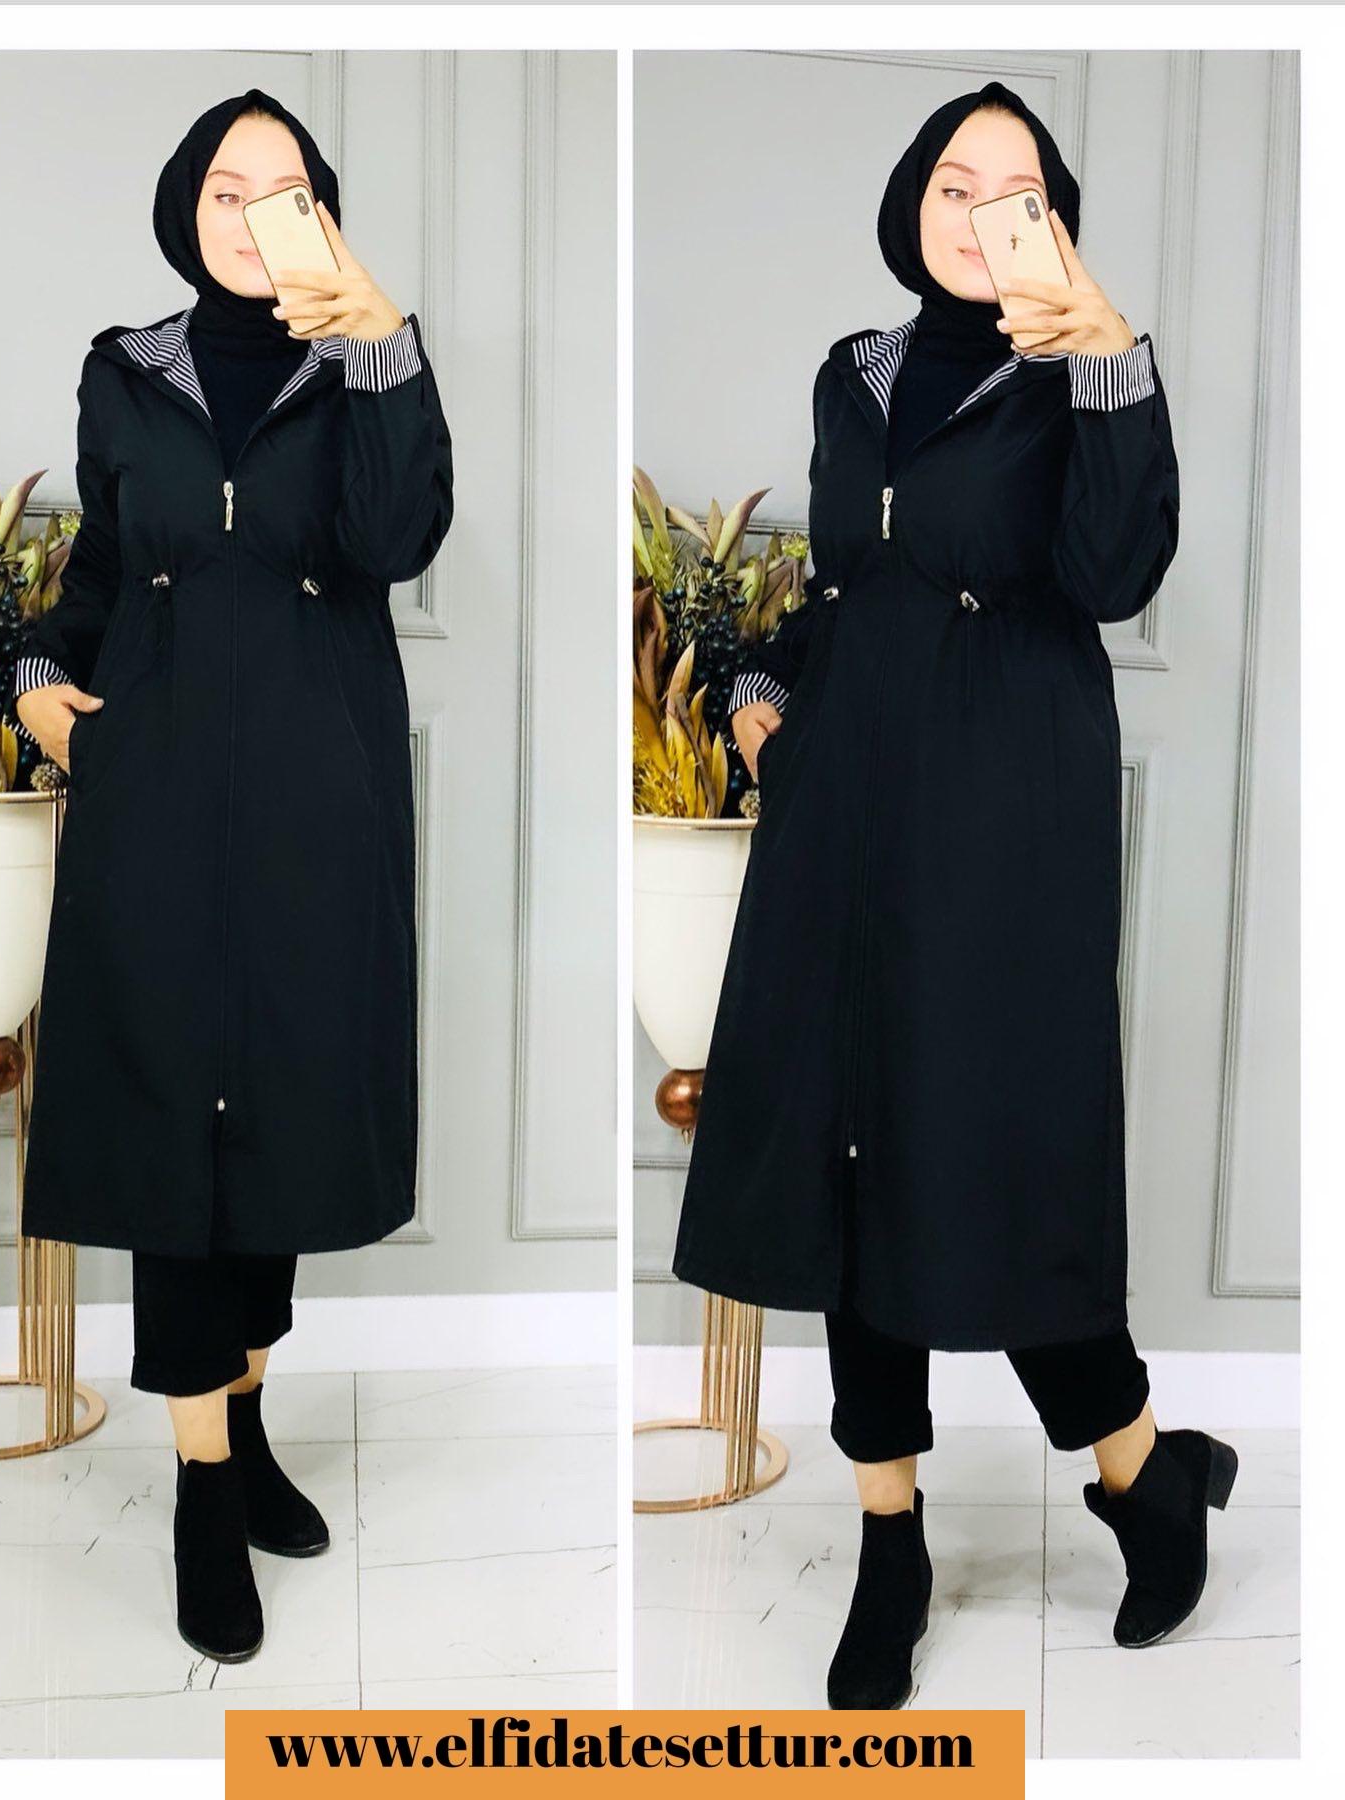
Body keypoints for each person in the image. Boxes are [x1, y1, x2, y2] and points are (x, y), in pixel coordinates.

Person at [670, 81, 1236, 1709]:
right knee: (850, 1163)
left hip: (1004, 813)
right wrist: (762, 686)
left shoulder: (1087, 373)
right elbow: (852, 578)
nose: (982, 209)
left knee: (996, 1154)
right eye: (954, 181)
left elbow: (1116, 573)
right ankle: (891, 1542)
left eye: (1017, 187)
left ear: (1055, 218)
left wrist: (1110, 359)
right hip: (844, 807)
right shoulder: (855, 371)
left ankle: (1140, 1470)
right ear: (912, 204)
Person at [12, 89, 453, 1663]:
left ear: (321, 216)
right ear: (186, 211)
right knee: (166, 1125)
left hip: (318, 805)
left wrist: (383, 343)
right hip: (152, 794)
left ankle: (246, 1426)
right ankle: (205, 1488)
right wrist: (36, 677)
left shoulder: (368, 366)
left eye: (286, 192)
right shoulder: (125, 370)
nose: (254, 215)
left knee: (277, 1119)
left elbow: (400, 539)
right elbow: (100, 567)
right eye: (227, 188)